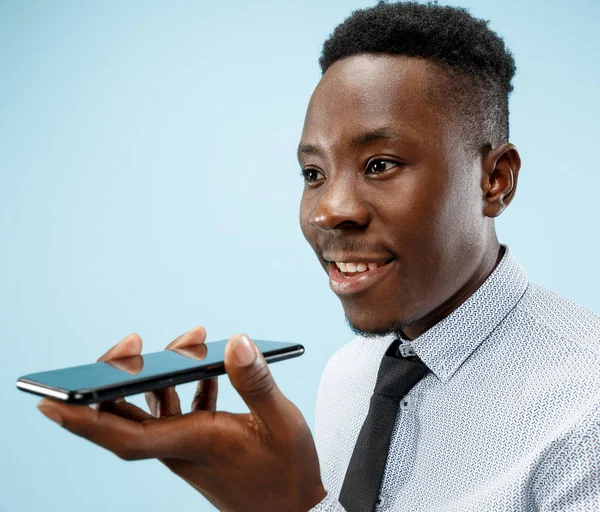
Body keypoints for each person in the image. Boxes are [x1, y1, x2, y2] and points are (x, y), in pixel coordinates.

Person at [35, 2, 600, 511]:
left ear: (494, 179)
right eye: (313, 174)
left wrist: (291, 506)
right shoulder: (349, 376)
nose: (329, 211)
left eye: (380, 164)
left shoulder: (587, 409)